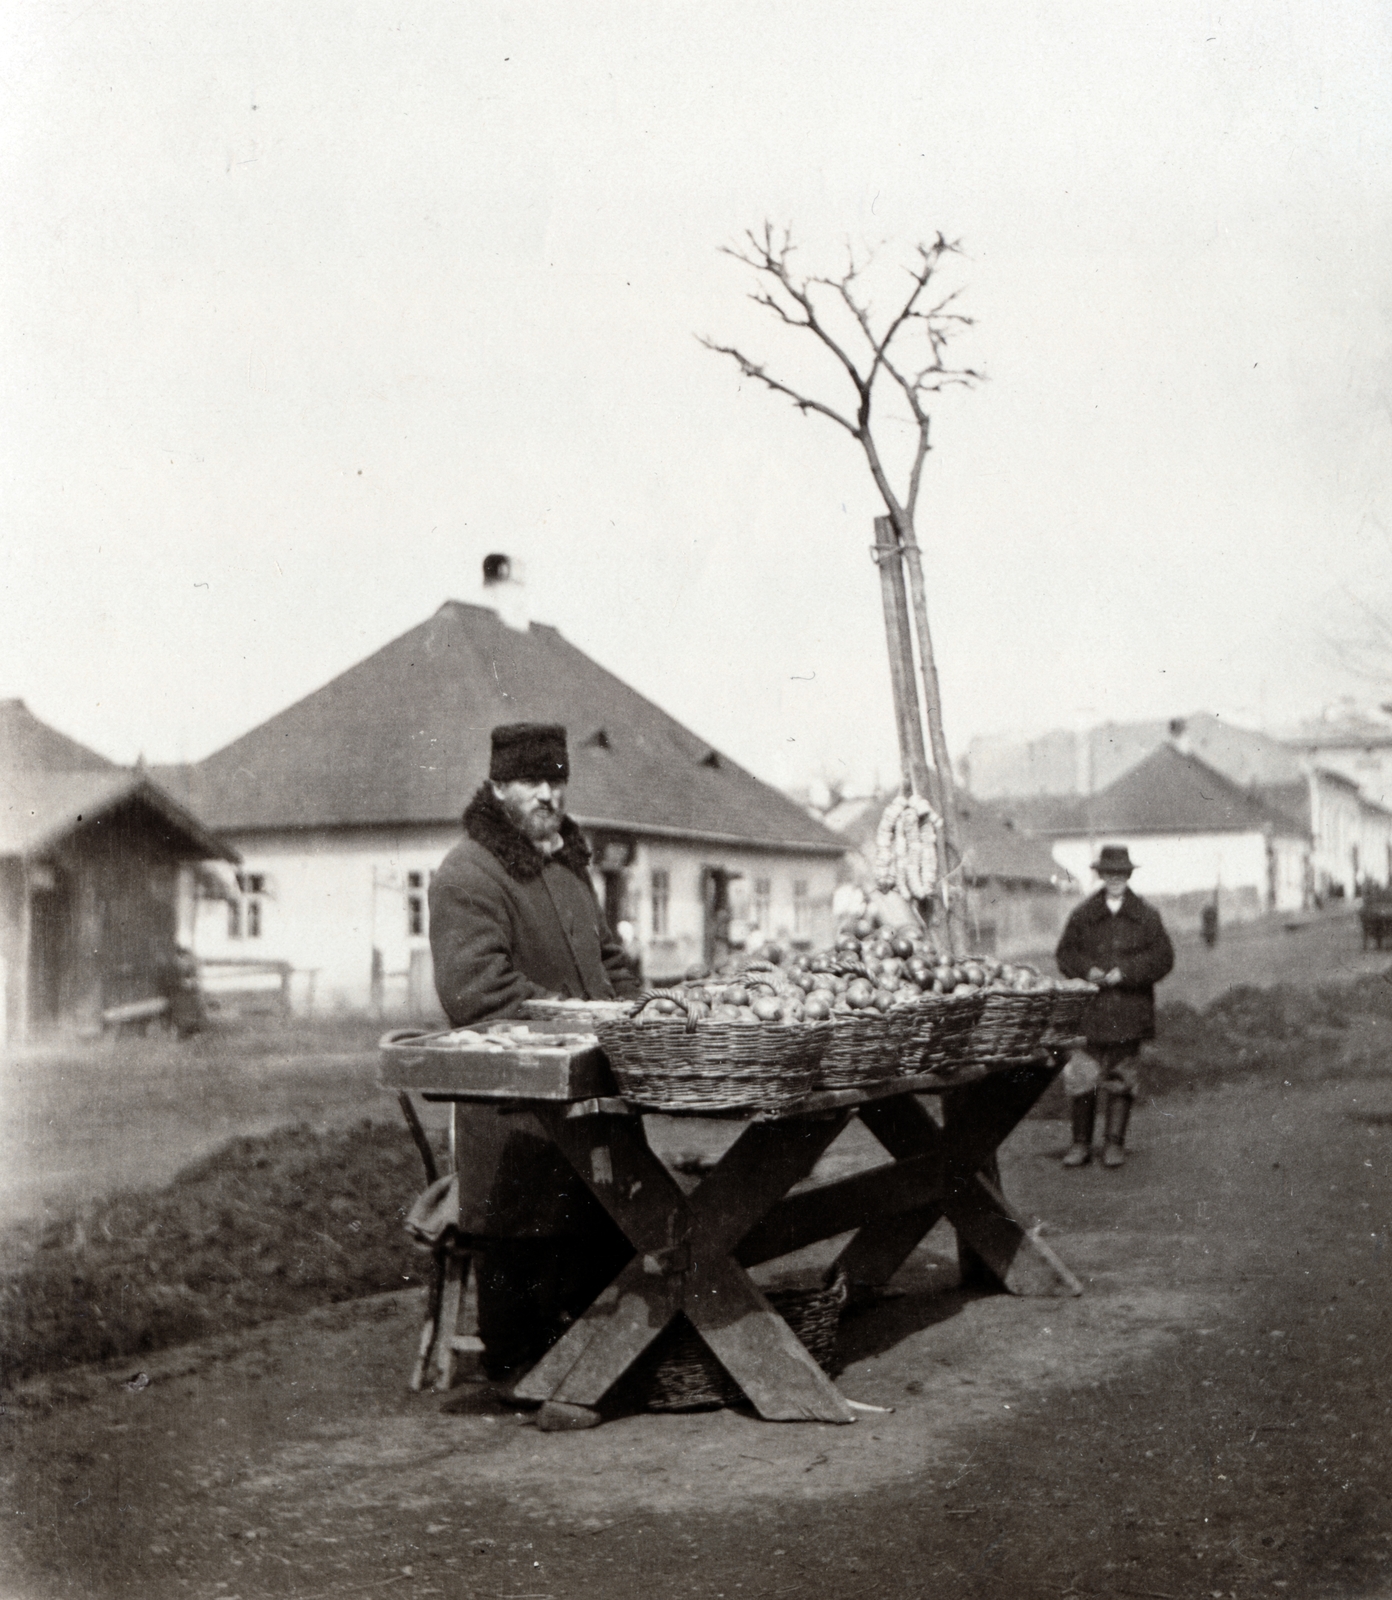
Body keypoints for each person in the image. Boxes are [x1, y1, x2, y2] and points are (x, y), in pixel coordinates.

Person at [427, 722, 642, 1385]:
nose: (547, 794)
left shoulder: (569, 868)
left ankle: (596, 1369)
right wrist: (585, 1019)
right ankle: (521, 1375)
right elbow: (478, 993)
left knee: (612, 1237)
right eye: (529, 781)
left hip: (594, 1096)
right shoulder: (468, 873)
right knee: (524, 1245)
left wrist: (638, 1013)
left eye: (556, 779)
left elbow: (611, 961)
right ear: (497, 787)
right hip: (516, 1110)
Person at [1055, 844, 1174, 1169]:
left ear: (1129, 875)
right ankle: (1080, 1144)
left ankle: (1113, 1144)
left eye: (1121, 873)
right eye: (1110, 873)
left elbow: (1163, 958)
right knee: (1083, 1075)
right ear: (1101, 875)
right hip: (1090, 1012)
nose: (1115, 878)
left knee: (1122, 1076)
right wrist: (1086, 970)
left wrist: (1128, 972)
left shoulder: (1146, 915)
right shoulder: (1083, 914)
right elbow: (1065, 953)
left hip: (1129, 1011)